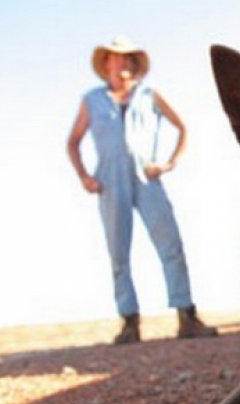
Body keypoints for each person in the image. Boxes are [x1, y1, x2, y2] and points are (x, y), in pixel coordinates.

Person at [66, 36, 216, 344]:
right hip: (109, 180)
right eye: (115, 58)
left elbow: (182, 127)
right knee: (118, 252)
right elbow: (73, 141)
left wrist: (169, 162)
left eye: (127, 59)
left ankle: (186, 315)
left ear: (134, 64)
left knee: (170, 244)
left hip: (147, 176)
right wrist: (84, 176)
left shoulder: (150, 95)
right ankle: (129, 322)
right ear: (106, 64)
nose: (121, 64)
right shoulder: (91, 100)